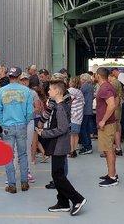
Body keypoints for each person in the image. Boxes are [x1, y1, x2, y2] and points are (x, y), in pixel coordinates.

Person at [36, 80, 87, 216]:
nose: (48, 92)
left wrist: (44, 133)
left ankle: (77, 199)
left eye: (50, 89)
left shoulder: (60, 108)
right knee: (57, 174)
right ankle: (63, 202)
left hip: (59, 144)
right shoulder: (60, 105)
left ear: (57, 91)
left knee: (58, 175)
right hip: (58, 144)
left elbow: (63, 128)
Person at [0, 67, 34, 194]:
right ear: (18, 76)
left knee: (8, 156)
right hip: (21, 125)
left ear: (9, 76)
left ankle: (11, 184)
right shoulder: (26, 91)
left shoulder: (1, 91)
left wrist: (3, 124)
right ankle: (24, 183)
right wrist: (24, 122)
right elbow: (30, 112)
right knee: (23, 154)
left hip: (7, 126)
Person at [95, 67, 119, 187]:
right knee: (108, 149)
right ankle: (111, 173)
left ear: (98, 76)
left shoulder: (105, 88)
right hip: (110, 122)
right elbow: (117, 100)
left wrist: (104, 120)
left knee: (108, 150)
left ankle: (112, 177)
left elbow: (112, 104)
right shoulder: (110, 86)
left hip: (107, 124)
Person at [67, 76, 85, 158]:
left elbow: (64, 99)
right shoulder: (79, 92)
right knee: (76, 134)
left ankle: (71, 151)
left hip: (73, 115)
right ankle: (74, 150)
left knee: (71, 134)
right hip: (79, 115)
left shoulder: (70, 90)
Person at [108, 71, 124, 156]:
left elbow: (111, 96)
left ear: (110, 76)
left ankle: (115, 148)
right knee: (117, 127)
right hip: (118, 108)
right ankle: (118, 147)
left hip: (114, 109)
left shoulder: (113, 83)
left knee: (113, 128)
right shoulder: (118, 82)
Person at [78, 73, 94, 155]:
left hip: (84, 110)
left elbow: (78, 95)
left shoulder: (84, 87)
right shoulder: (91, 86)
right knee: (87, 129)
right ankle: (88, 145)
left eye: (81, 79)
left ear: (84, 79)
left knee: (83, 129)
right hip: (89, 110)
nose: (80, 80)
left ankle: (87, 146)